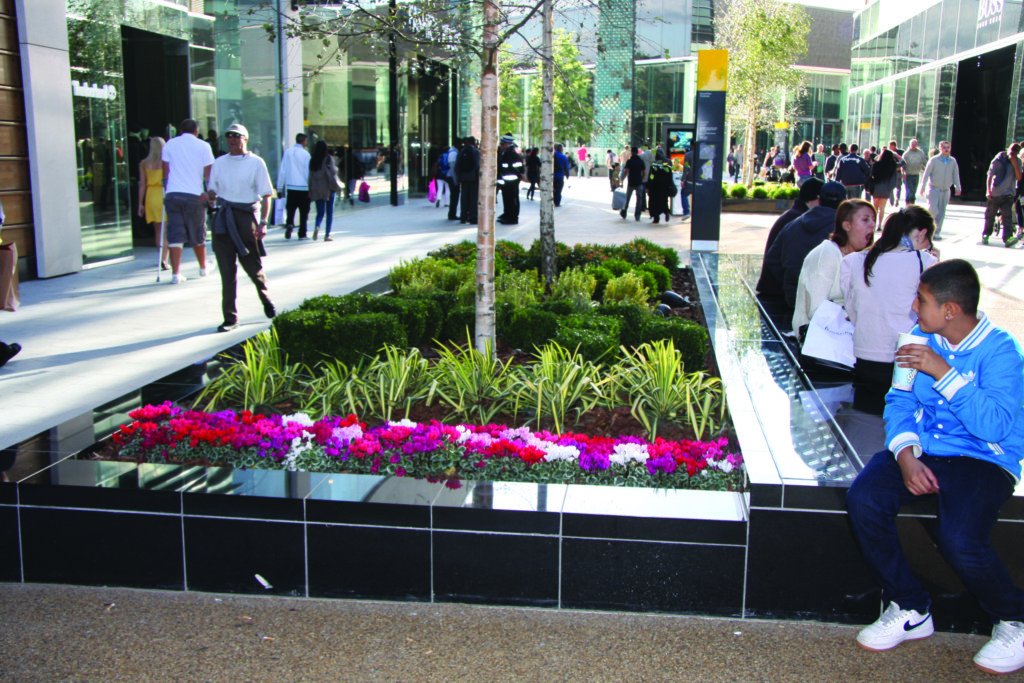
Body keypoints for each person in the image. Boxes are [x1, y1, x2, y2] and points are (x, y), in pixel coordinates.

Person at [846, 258, 1024, 675]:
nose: (913, 306)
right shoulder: (916, 338)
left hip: (985, 458)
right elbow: (900, 402)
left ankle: (1014, 618)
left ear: (950, 310)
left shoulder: (1003, 351)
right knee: (865, 498)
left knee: (960, 538)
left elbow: (996, 426)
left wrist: (944, 372)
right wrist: (906, 455)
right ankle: (910, 606)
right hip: (925, 448)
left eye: (921, 300)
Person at [840, 206, 938, 411]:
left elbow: (853, 310)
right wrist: (937, 263)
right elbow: (933, 316)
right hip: (905, 361)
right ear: (922, 234)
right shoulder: (925, 262)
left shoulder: (854, 261)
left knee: (864, 416)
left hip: (864, 357)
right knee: (900, 415)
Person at [205, 123, 276, 333]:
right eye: (228, 136)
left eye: (236, 136)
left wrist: (263, 222)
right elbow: (213, 192)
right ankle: (230, 317)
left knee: (253, 267)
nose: (232, 139)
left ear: (245, 139)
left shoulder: (256, 163)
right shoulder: (219, 163)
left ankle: (266, 298)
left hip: (246, 218)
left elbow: (266, 195)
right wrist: (206, 196)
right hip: (223, 219)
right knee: (227, 273)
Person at [792, 197, 875, 333]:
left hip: (848, 332)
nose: (872, 225)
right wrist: (855, 318)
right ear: (847, 226)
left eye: (873, 219)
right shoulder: (827, 253)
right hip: (819, 338)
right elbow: (816, 309)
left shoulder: (863, 257)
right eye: (865, 220)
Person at [764, 180, 848, 314]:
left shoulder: (793, 224)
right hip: (824, 303)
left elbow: (772, 258)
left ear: (819, 199)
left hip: (792, 296)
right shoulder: (844, 229)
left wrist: (791, 282)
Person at [161, 118, 215, 284]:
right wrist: (211, 195)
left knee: (175, 234)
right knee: (198, 232)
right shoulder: (204, 146)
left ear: (180, 130)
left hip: (173, 193)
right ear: (196, 131)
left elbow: (165, 172)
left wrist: (166, 189)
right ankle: (203, 268)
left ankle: (176, 274)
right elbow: (208, 175)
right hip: (194, 194)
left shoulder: (169, 144)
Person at [757, 177, 824, 300]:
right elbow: (789, 261)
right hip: (778, 290)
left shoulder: (796, 214)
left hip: (773, 287)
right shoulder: (801, 220)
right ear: (817, 198)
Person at [137, 136, 169, 270]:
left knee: (158, 230)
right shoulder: (166, 162)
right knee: (166, 231)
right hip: (162, 194)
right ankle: (165, 260)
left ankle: (160, 256)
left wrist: (140, 204)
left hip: (150, 195)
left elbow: (142, 185)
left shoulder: (144, 163)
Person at [919, 140, 961, 239]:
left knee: (941, 212)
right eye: (944, 147)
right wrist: (922, 187)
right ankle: (927, 229)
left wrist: (957, 187)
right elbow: (926, 174)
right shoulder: (934, 160)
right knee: (933, 210)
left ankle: (936, 232)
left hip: (945, 190)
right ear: (940, 148)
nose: (946, 149)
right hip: (934, 189)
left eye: (948, 147)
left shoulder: (952, 161)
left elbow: (955, 175)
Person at [982, 142, 1022, 247]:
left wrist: (1015, 164)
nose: (1012, 155)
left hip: (1008, 193)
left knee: (1007, 216)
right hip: (995, 193)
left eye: (1015, 153)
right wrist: (988, 190)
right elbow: (990, 175)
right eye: (1011, 152)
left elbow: (1019, 177)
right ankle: (986, 234)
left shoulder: (1017, 161)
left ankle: (1008, 238)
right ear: (1008, 150)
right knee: (990, 215)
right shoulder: (998, 160)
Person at [277, 133, 311, 239]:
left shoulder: (287, 152)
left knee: (291, 209)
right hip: (304, 187)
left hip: (291, 187)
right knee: (304, 212)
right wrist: (311, 187)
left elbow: (283, 170)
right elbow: (307, 172)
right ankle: (302, 232)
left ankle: (289, 223)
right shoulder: (306, 154)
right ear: (304, 141)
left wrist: (279, 187)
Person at [307, 140, 340, 242]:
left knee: (320, 212)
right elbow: (333, 172)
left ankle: (317, 226)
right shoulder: (328, 159)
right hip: (329, 188)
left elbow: (310, 177)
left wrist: (310, 190)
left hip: (317, 189)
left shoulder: (313, 160)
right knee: (329, 212)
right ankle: (327, 235)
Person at [496, 134, 526, 225]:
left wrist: (519, 174)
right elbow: (520, 164)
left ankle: (511, 217)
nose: (501, 146)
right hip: (512, 179)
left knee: (510, 199)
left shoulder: (509, 152)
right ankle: (509, 215)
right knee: (512, 198)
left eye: (502, 144)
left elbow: (509, 166)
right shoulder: (515, 151)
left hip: (510, 179)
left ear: (506, 144)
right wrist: (520, 174)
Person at [868, 148, 900, 228]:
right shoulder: (892, 165)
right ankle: (879, 225)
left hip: (876, 187)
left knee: (875, 207)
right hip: (886, 189)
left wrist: (879, 156)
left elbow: (871, 174)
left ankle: (873, 224)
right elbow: (903, 162)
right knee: (882, 208)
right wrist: (896, 155)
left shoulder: (876, 164)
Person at [455, 136, 480, 224]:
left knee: (464, 199)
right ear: (473, 143)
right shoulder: (476, 152)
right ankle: (473, 218)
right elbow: (477, 165)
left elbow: (457, 165)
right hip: (473, 178)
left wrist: (459, 177)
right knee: (473, 199)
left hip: (463, 179)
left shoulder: (462, 151)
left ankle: (463, 217)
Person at [619, 146, 647, 222]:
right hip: (639, 182)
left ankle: (624, 212)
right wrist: (642, 179)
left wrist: (622, 179)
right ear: (637, 152)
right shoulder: (641, 161)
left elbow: (626, 171)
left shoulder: (630, 161)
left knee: (627, 198)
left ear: (631, 152)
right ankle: (637, 215)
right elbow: (644, 172)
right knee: (639, 199)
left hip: (631, 182)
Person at [645, 153, 674, 224]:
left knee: (654, 203)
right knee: (664, 201)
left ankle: (656, 218)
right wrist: (670, 185)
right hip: (664, 187)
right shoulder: (666, 165)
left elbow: (651, 176)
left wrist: (649, 185)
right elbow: (670, 176)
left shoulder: (654, 165)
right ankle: (666, 211)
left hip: (655, 187)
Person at [901, 139, 928, 206]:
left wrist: (927, 170)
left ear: (917, 144)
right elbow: (903, 164)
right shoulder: (906, 153)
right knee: (910, 190)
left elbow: (924, 162)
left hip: (917, 174)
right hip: (908, 174)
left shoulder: (920, 153)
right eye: (912, 144)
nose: (913, 145)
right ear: (910, 145)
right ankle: (909, 203)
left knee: (914, 190)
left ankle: (912, 203)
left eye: (914, 144)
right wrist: (903, 174)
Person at [443, 140, 461, 221]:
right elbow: (453, 168)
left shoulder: (451, 152)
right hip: (451, 177)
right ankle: (452, 214)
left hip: (449, 176)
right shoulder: (453, 153)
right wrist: (455, 181)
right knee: (454, 196)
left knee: (454, 196)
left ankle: (452, 213)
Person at [678, 152, 692, 221]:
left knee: (684, 194)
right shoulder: (701, 154)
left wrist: (683, 179)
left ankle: (686, 212)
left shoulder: (688, 155)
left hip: (689, 180)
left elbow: (686, 169)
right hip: (699, 180)